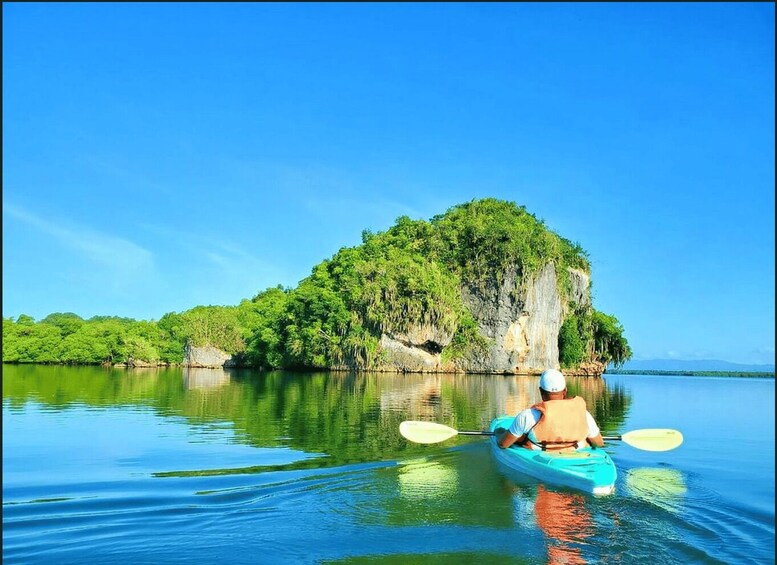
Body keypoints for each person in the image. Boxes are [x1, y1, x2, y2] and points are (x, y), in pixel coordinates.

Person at [496, 368, 604, 451]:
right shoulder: (583, 415)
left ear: (541, 392)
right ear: (565, 391)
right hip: (577, 456)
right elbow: (599, 443)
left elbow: (503, 444)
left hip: (540, 458)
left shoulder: (528, 416)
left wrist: (499, 433)